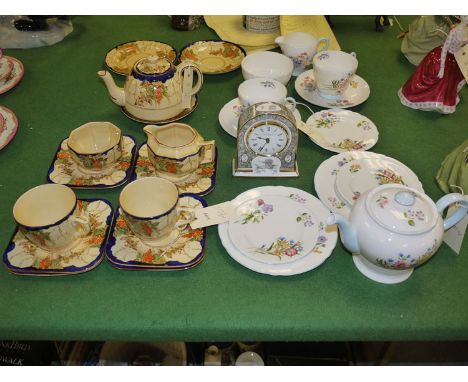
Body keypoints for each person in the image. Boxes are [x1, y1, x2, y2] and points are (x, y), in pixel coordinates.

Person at [398, 16, 467, 114]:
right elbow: (444, 49)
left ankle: (441, 101)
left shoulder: (466, 31)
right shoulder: (454, 31)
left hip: (455, 59)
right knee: (434, 75)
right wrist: (442, 67)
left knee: (450, 81)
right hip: (442, 57)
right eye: (465, 16)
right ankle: (424, 98)